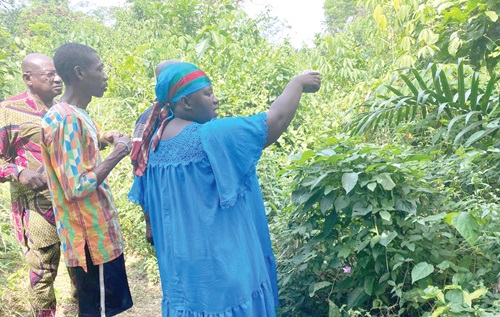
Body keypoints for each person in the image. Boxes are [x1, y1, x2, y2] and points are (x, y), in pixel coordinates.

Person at [128, 62, 321, 316]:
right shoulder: (210, 136)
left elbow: (146, 201)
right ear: (185, 102)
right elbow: (275, 120)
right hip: (223, 272)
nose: (215, 99)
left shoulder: (151, 144)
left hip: (182, 275)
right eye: (208, 93)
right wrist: (297, 83)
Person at [40, 43, 133, 317]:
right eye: (100, 69)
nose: (105, 76)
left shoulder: (74, 115)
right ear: (80, 73)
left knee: (102, 308)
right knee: (98, 312)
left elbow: (75, 157)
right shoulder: (66, 120)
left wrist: (102, 142)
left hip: (97, 235)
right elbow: (76, 187)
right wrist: (118, 153)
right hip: (90, 239)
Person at [0, 53, 70, 317]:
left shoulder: (63, 108)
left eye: (57, 73)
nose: (57, 79)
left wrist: (103, 137)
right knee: (42, 272)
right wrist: (17, 172)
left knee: (81, 267)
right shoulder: (8, 110)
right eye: (49, 74)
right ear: (28, 78)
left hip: (73, 203)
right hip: (37, 210)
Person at [130, 59, 180, 245]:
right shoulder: (147, 120)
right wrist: (149, 223)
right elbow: (139, 171)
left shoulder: (194, 112)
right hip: (163, 206)